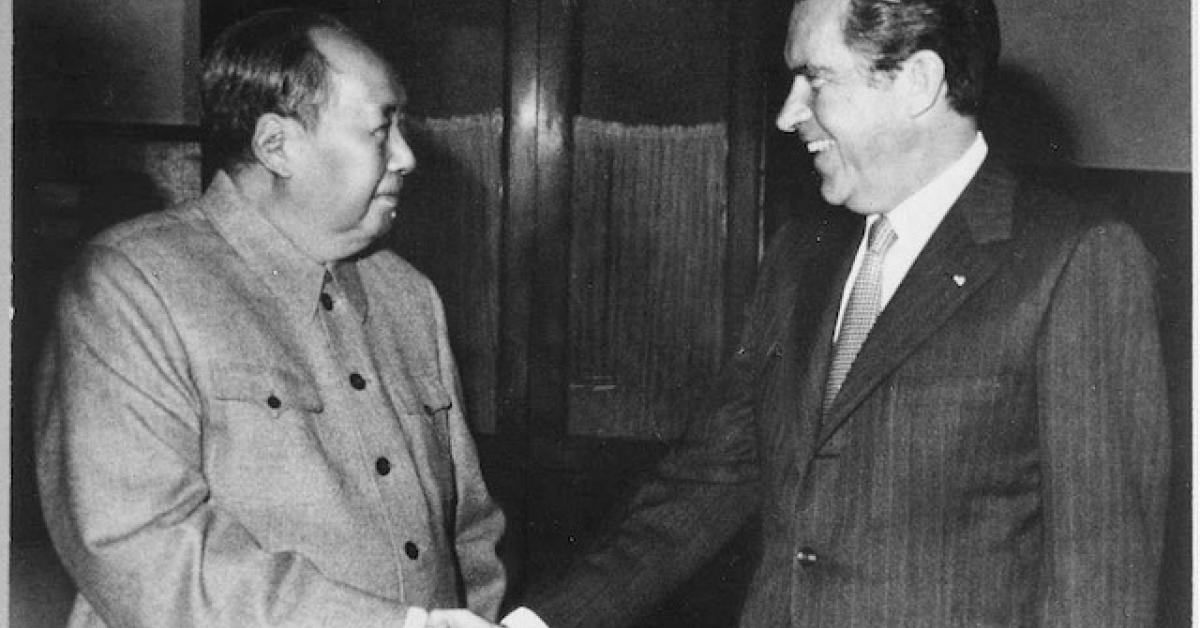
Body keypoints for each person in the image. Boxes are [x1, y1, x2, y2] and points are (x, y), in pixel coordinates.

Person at [491, 0, 1172, 626]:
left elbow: (1103, 589)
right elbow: (708, 480)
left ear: (918, 82)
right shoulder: (800, 256)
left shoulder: (1075, 261)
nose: (789, 114)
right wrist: (534, 624)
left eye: (815, 79)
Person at [35, 9, 506, 627]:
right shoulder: (132, 286)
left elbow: (469, 536)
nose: (406, 157)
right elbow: (142, 549)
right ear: (276, 146)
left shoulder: (409, 297)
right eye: (380, 129)